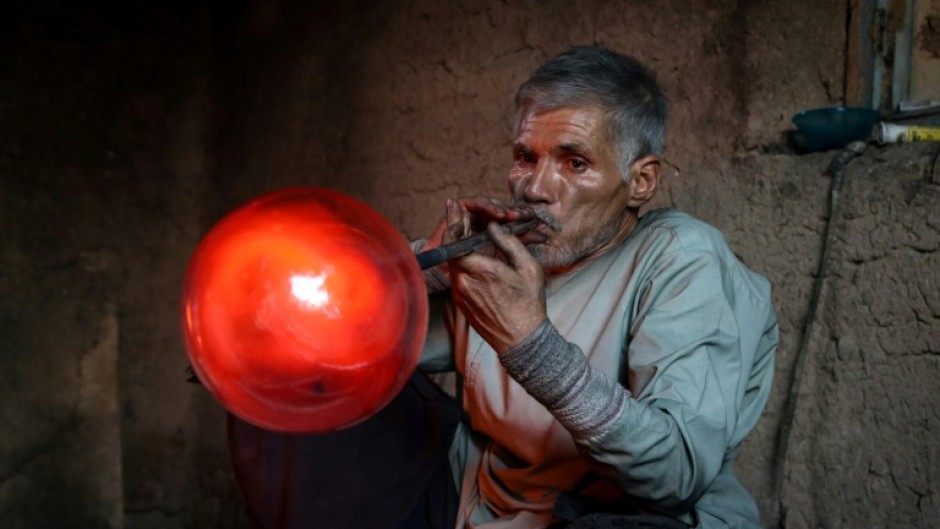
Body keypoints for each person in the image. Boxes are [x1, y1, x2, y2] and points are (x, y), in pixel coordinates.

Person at [228, 45, 778, 529]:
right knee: (291, 375)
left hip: (609, 515)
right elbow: (340, 340)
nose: (536, 188)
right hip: (477, 506)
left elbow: (675, 474)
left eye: (575, 162)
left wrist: (532, 347)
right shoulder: (504, 265)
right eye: (525, 157)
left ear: (641, 181)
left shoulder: (681, 259)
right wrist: (431, 265)